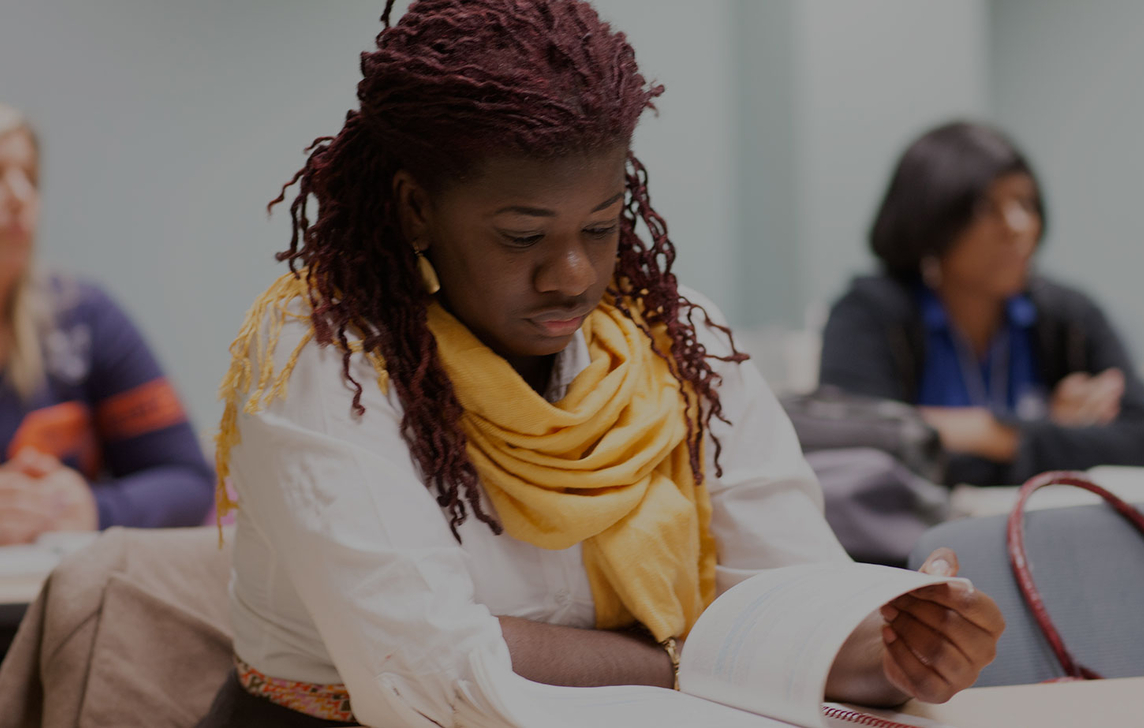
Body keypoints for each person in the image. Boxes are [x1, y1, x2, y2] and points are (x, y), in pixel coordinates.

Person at [199, 4, 1004, 727]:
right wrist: (694, 661)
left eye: (602, 226)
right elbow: (441, 678)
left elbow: (789, 595)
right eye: (522, 237)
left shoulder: (673, 335)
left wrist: (894, 642)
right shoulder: (322, 352)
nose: (574, 277)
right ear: (416, 208)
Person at [820, 121, 1144, 486]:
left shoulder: (1067, 315)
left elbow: (1136, 438)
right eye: (986, 208)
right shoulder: (870, 311)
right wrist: (1043, 434)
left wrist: (992, 434)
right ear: (931, 217)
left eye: (1025, 203)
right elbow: (853, 440)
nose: (1018, 225)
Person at [0, 104, 214, 543]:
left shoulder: (81, 316)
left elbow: (188, 480)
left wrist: (92, 508)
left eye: (30, 177)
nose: (20, 195)